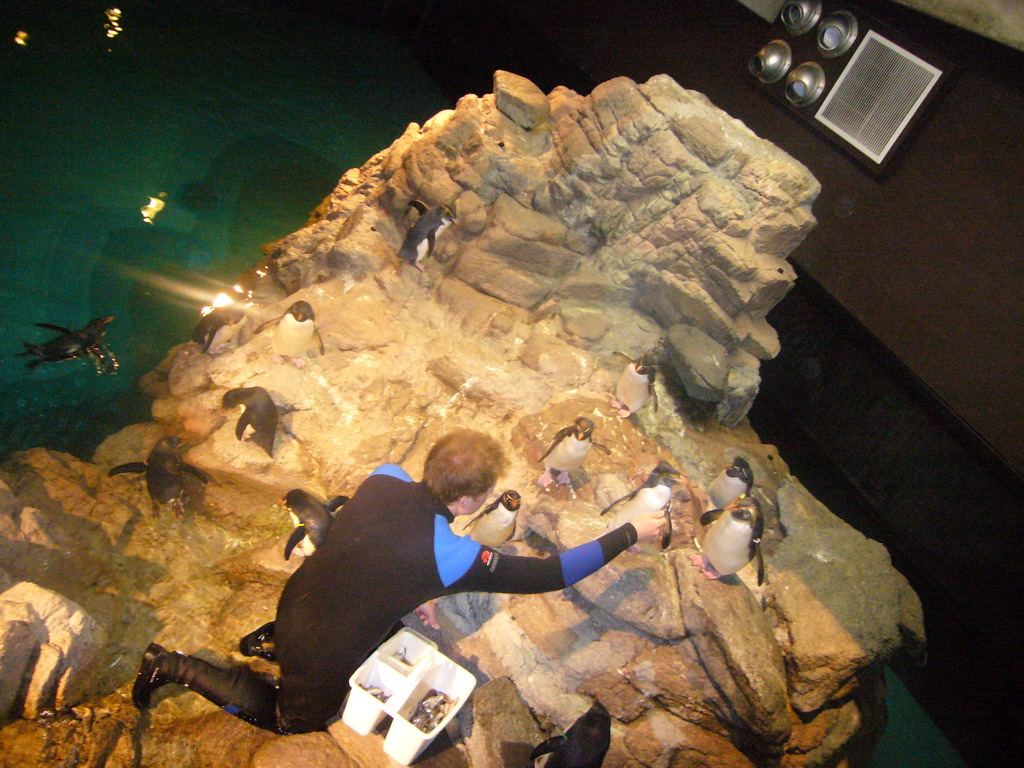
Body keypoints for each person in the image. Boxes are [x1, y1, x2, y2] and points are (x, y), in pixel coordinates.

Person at [130, 428, 668, 733]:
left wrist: (417, 592)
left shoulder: (384, 476)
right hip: (321, 645)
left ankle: (266, 641)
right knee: (293, 721)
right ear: (467, 501)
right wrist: (629, 532)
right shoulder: (453, 555)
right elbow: (553, 574)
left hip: (299, 599)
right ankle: (171, 666)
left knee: (316, 627)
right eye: (481, 496)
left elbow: (369, 546)